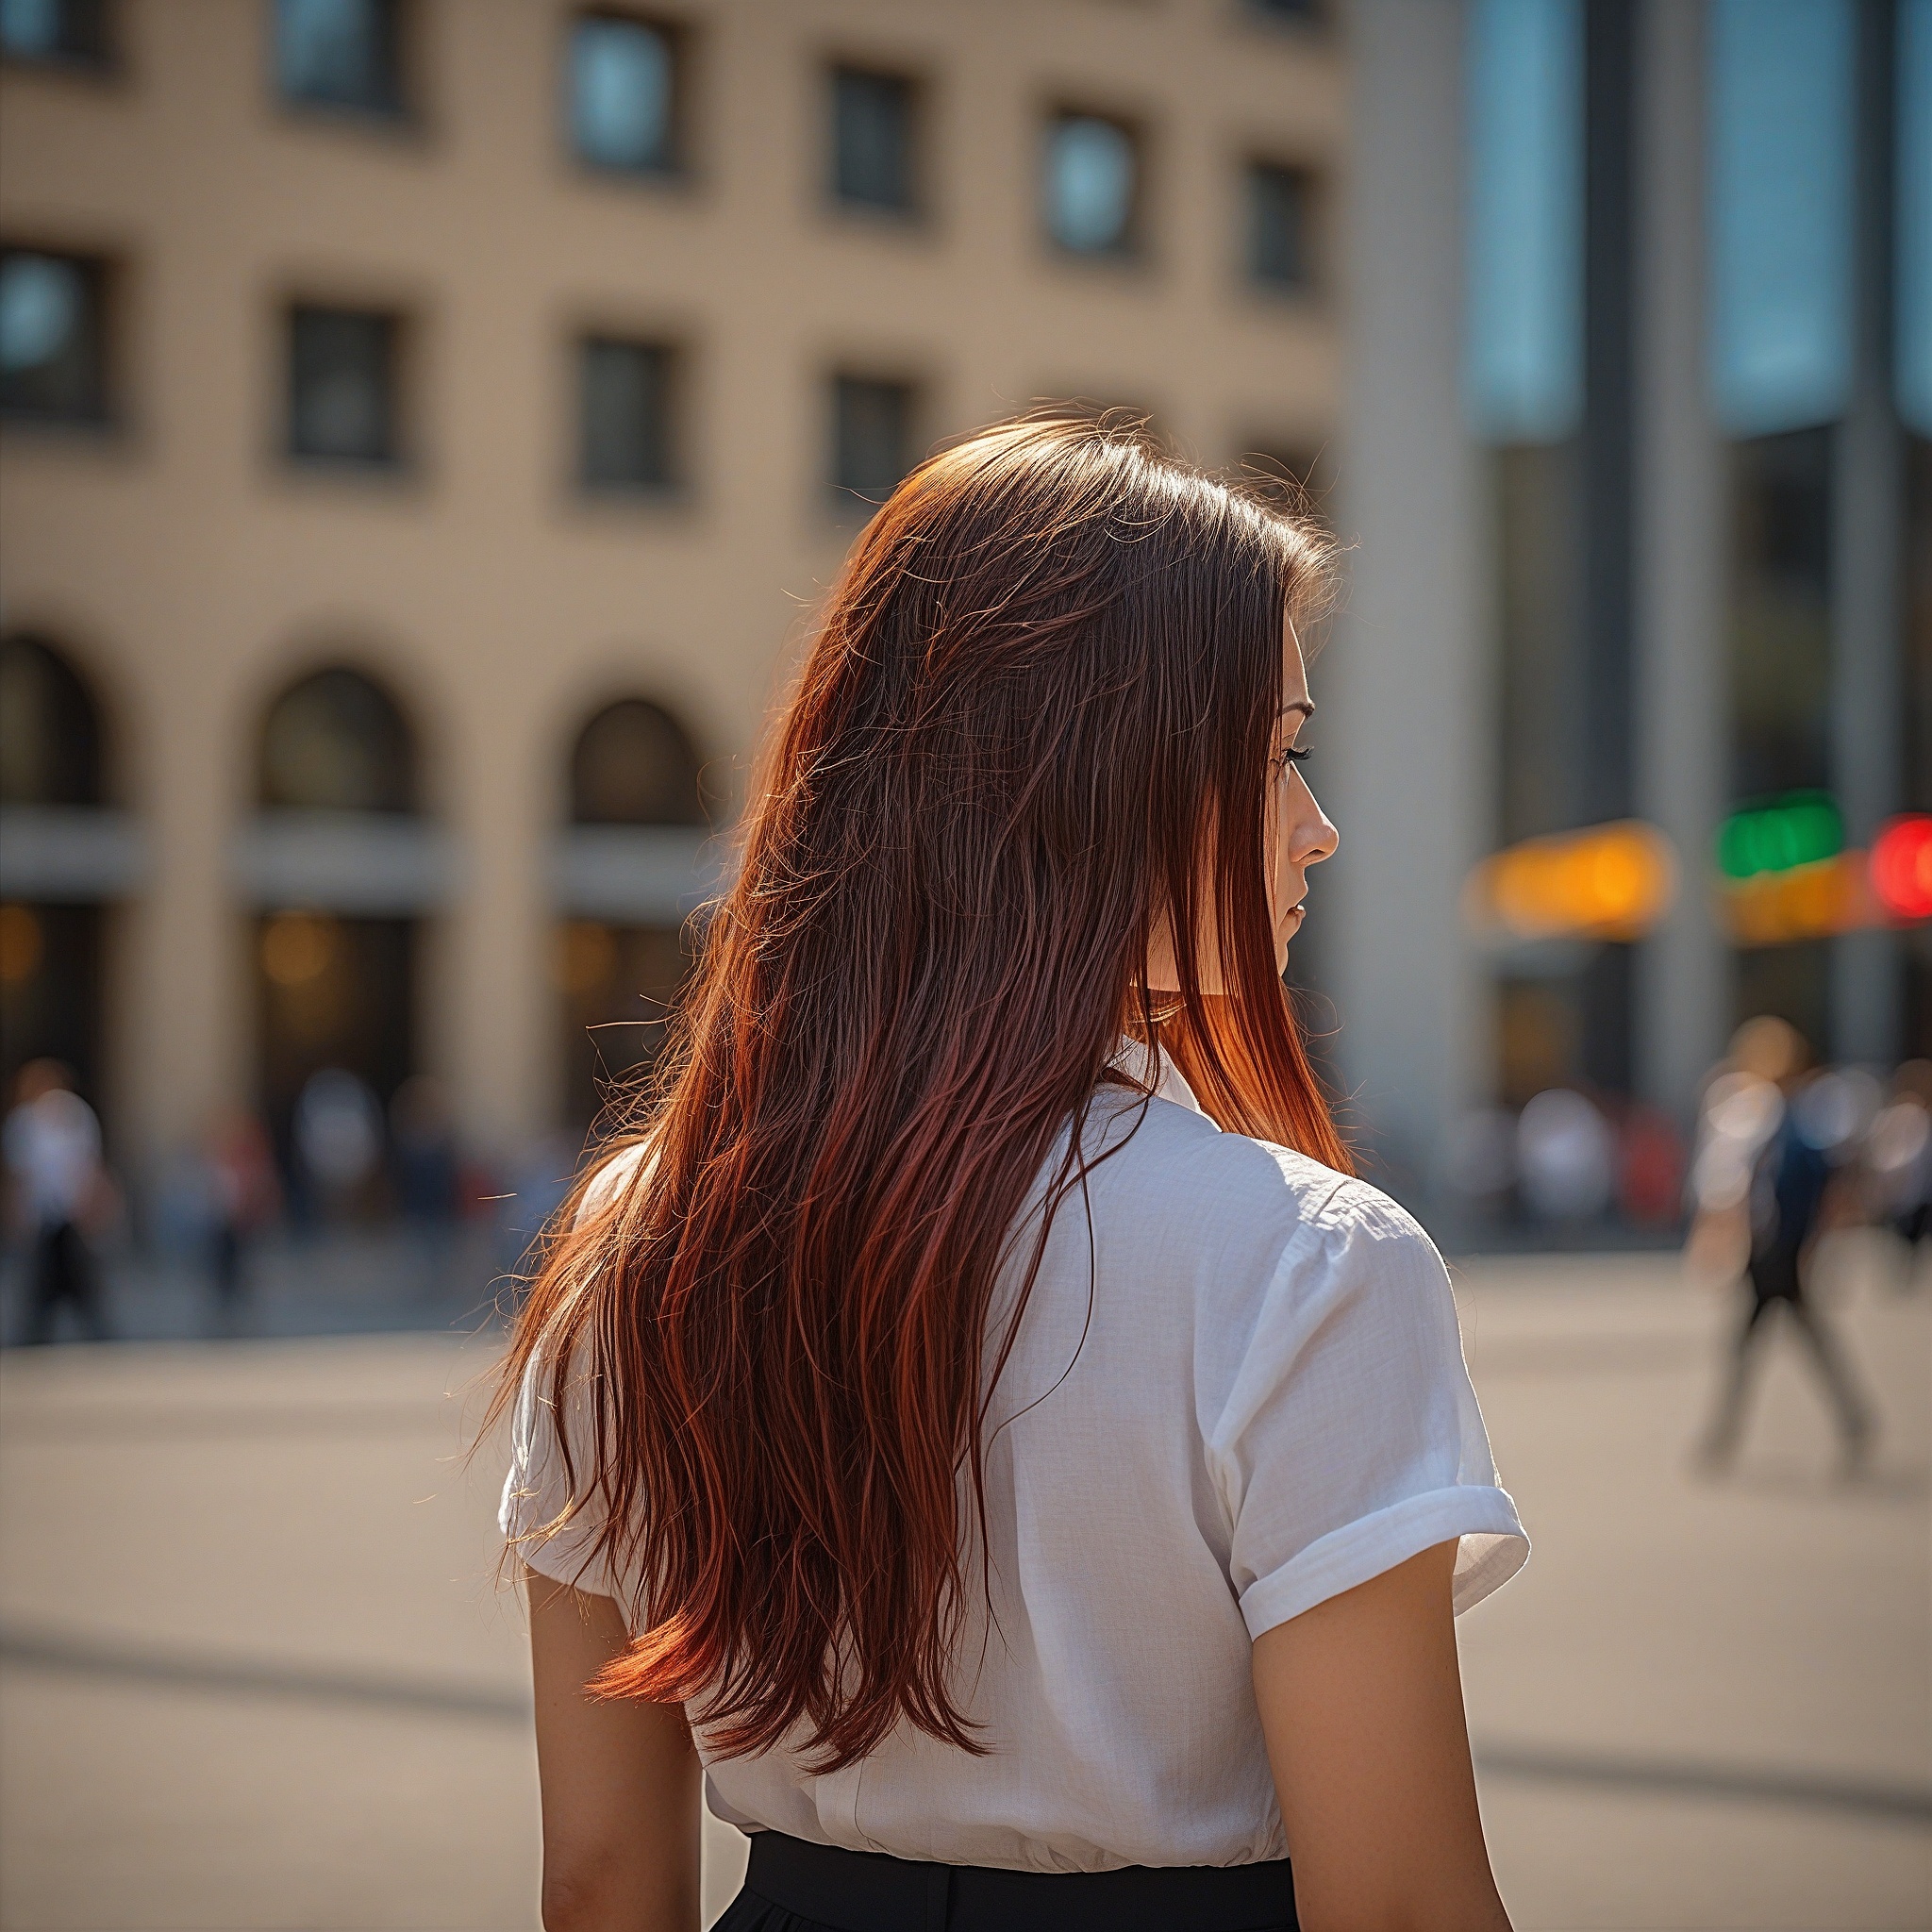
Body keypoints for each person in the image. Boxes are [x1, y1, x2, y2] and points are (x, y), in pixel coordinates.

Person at [495, 416, 1527, 1932]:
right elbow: (1399, 1903)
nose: (1321, 828)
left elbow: (598, 1883)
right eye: (1278, 753)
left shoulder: (638, 1228)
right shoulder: (1310, 1264)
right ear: (1081, 778)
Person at [1695, 1018, 1873, 1473]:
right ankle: (1851, 1420)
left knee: (1756, 1344)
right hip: (1776, 1249)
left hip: (1773, 1251)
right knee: (1785, 1340)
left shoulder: (1768, 1117)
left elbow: (1733, 1186)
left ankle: (1723, 1435)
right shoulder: (1787, 1117)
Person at [3, 1059, 112, 1344]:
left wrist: (89, 1205)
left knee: (74, 1275)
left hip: (70, 1211)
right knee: (48, 1277)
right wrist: (20, 1213)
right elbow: (21, 1175)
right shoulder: (24, 1122)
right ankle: (36, 1334)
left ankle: (95, 1333)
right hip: (44, 1214)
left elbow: (87, 1166)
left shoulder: (75, 1116)